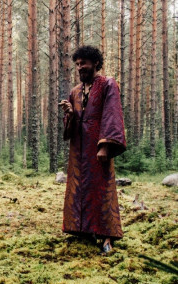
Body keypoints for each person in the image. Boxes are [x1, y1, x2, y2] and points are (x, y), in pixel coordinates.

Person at [59, 45, 126, 255]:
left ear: (95, 63)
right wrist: (70, 113)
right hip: (78, 149)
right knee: (79, 187)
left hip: (97, 145)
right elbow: (70, 127)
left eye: (84, 63)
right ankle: (83, 230)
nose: (80, 67)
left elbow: (112, 114)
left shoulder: (107, 84)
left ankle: (107, 235)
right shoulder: (75, 92)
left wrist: (105, 145)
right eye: (77, 64)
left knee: (101, 188)